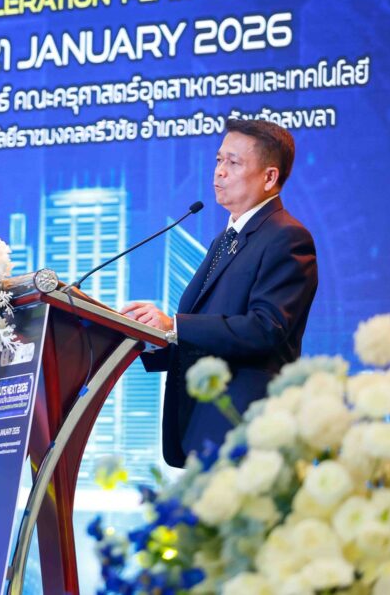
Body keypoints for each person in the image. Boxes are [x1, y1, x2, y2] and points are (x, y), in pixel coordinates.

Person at [121, 118, 317, 468]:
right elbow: (203, 337)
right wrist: (149, 337)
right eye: (218, 160)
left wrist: (175, 327)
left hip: (244, 433)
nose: (219, 172)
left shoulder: (286, 238)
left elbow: (266, 328)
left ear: (269, 177)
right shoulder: (225, 240)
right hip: (202, 429)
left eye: (233, 162)